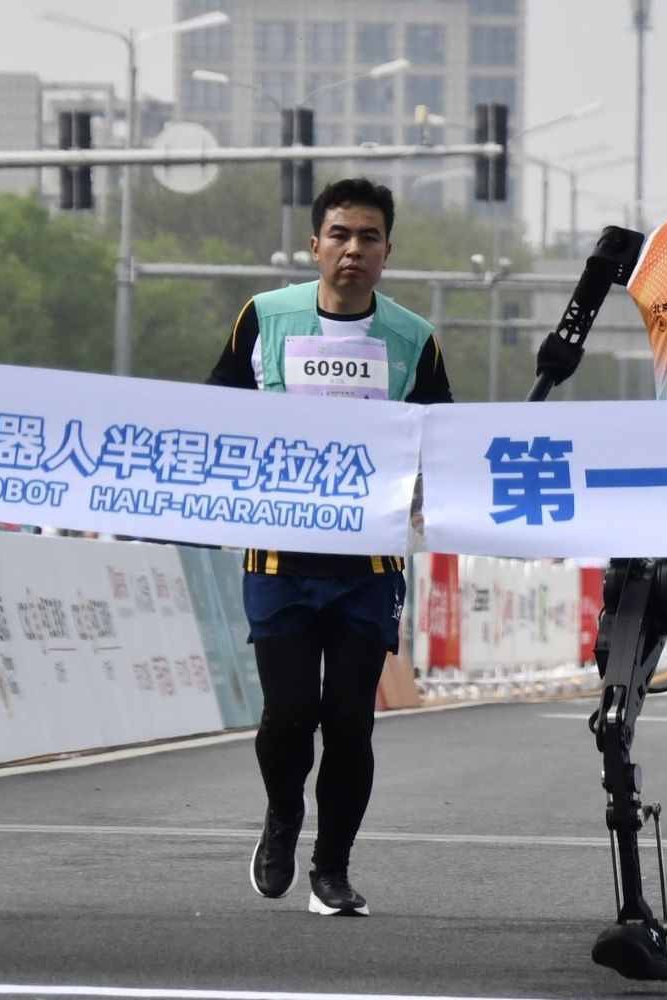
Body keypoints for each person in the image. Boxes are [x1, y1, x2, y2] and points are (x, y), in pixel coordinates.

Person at [207, 177, 453, 917]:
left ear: (387, 252)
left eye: (368, 237)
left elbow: (441, 442)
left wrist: (423, 495)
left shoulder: (414, 339)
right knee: (289, 716)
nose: (353, 249)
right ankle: (283, 818)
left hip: (366, 568)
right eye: (340, 234)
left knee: (350, 721)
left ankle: (333, 866)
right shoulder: (264, 317)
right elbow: (215, 405)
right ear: (314, 245)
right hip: (279, 560)